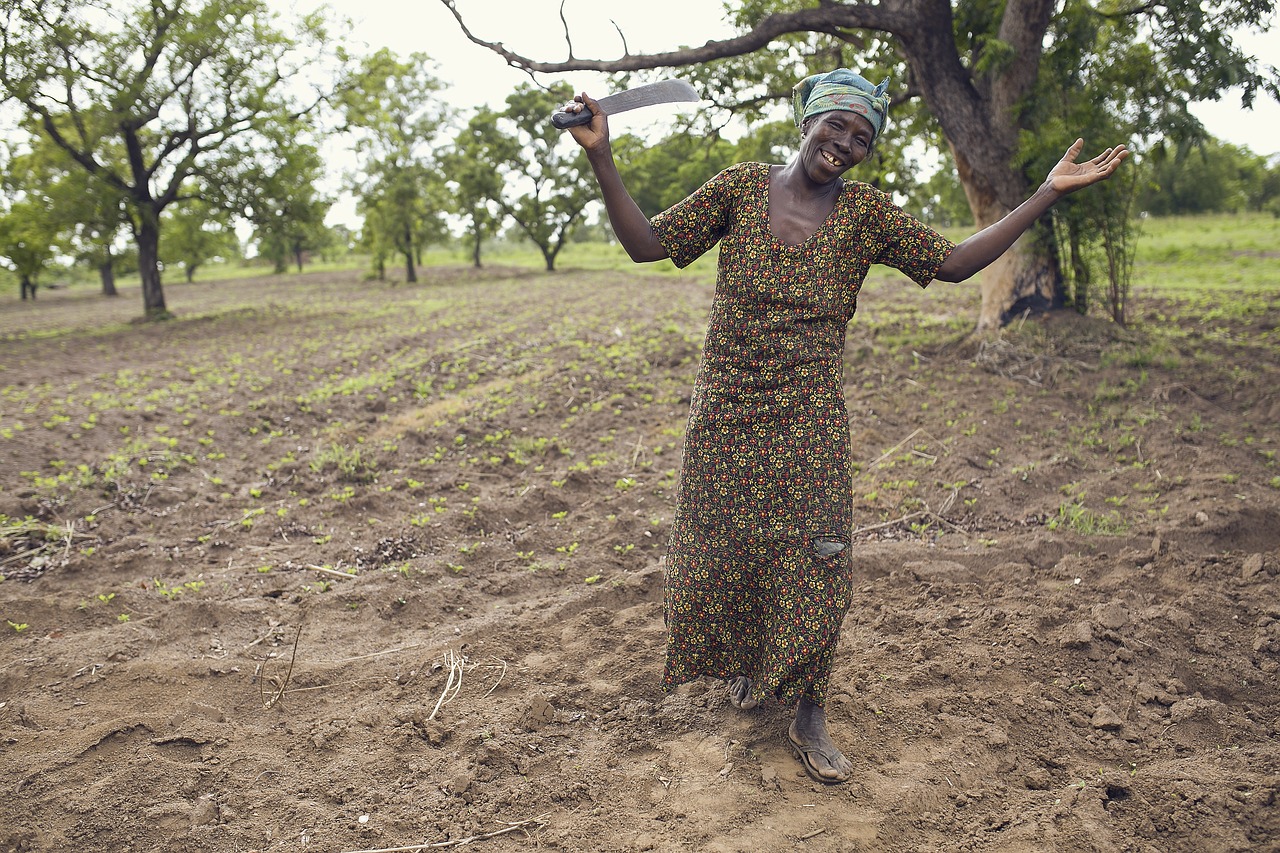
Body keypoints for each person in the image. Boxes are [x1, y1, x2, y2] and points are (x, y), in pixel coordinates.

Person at [561, 68, 1128, 784]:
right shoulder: (739, 189)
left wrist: (1045, 192)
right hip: (728, 414)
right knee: (722, 551)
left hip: (808, 419)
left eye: (862, 137)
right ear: (807, 121)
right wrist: (600, 155)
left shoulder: (863, 214)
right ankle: (749, 663)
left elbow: (951, 264)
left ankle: (808, 712)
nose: (846, 144)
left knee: (818, 559)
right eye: (837, 126)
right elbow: (646, 244)